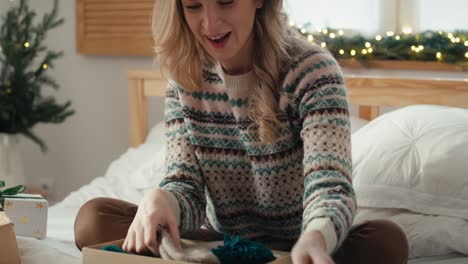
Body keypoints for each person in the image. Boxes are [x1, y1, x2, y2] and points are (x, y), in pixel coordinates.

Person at [74, 1, 409, 263]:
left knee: (385, 243)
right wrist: (163, 200)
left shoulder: (312, 71)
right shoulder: (184, 77)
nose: (209, 23)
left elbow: (330, 185)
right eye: (193, 6)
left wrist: (317, 236)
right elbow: (186, 189)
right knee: (94, 220)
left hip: (302, 244)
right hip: (224, 245)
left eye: (226, 1)